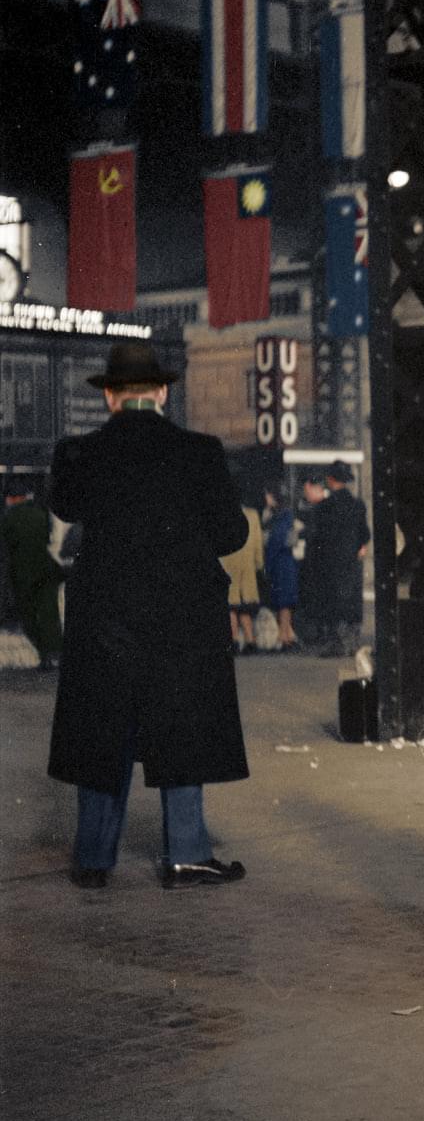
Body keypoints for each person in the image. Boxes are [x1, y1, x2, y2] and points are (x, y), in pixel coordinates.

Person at [47, 340, 249, 889]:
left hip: (104, 619)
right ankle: (186, 854)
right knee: (182, 727)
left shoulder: (77, 452)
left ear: (111, 397)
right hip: (181, 618)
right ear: (162, 393)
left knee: (101, 729)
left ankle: (93, 860)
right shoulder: (201, 451)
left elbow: (64, 506)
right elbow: (232, 535)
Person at [299, 460, 369, 655]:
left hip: (328, 564)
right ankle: (351, 644)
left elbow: (314, 538)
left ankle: (334, 644)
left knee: (330, 603)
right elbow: (365, 534)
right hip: (350, 564)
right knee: (350, 603)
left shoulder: (323, 508)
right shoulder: (357, 505)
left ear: (330, 480)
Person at [2, 476, 64, 667]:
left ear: (12, 498)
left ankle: (44, 654)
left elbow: (6, 548)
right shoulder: (41, 514)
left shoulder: (8, 518)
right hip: (46, 570)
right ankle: (57, 653)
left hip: (23, 574)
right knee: (49, 613)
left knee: (28, 615)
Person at [220, 486, 265, 653]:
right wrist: (259, 563)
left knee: (231, 605)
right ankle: (250, 640)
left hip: (227, 562)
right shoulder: (252, 514)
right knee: (245, 605)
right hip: (247, 564)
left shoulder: (221, 515)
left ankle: (234, 640)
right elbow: (257, 542)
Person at [262, 484, 301, 650]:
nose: (266, 499)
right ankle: (287, 634)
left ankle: (284, 636)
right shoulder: (284, 516)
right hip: (285, 563)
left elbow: (276, 541)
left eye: (268, 495)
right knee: (284, 602)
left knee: (283, 602)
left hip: (281, 564)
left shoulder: (280, 518)